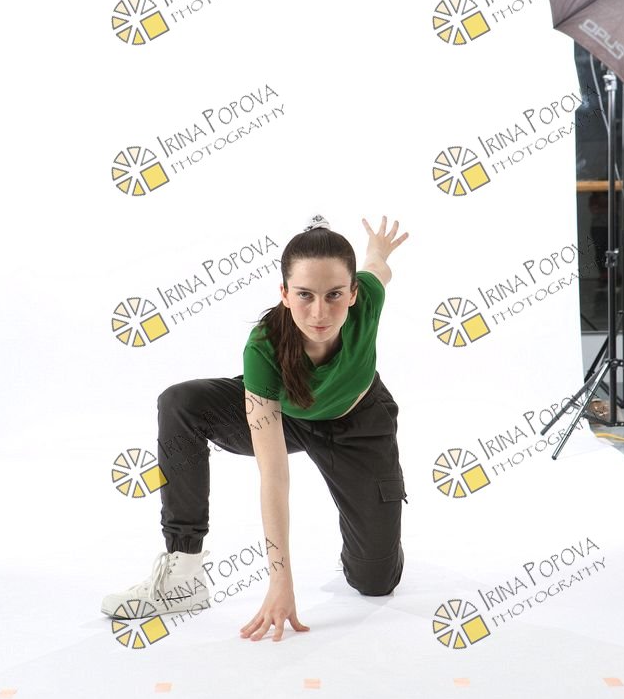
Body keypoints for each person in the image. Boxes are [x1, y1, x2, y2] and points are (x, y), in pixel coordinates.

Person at [101, 213, 410, 642]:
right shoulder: (264, 347)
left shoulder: (369, 300)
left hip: (356, 426)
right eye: (304, 295)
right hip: (285, 416)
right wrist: (281, 581)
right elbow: (274, 475)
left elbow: (378, 268)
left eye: (334, 295)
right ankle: (184, 574)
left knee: (375, 582)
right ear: (284, 293)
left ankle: (366, 538)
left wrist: (377, 250)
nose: (319, 312)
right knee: (181, 402)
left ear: (354, 293)